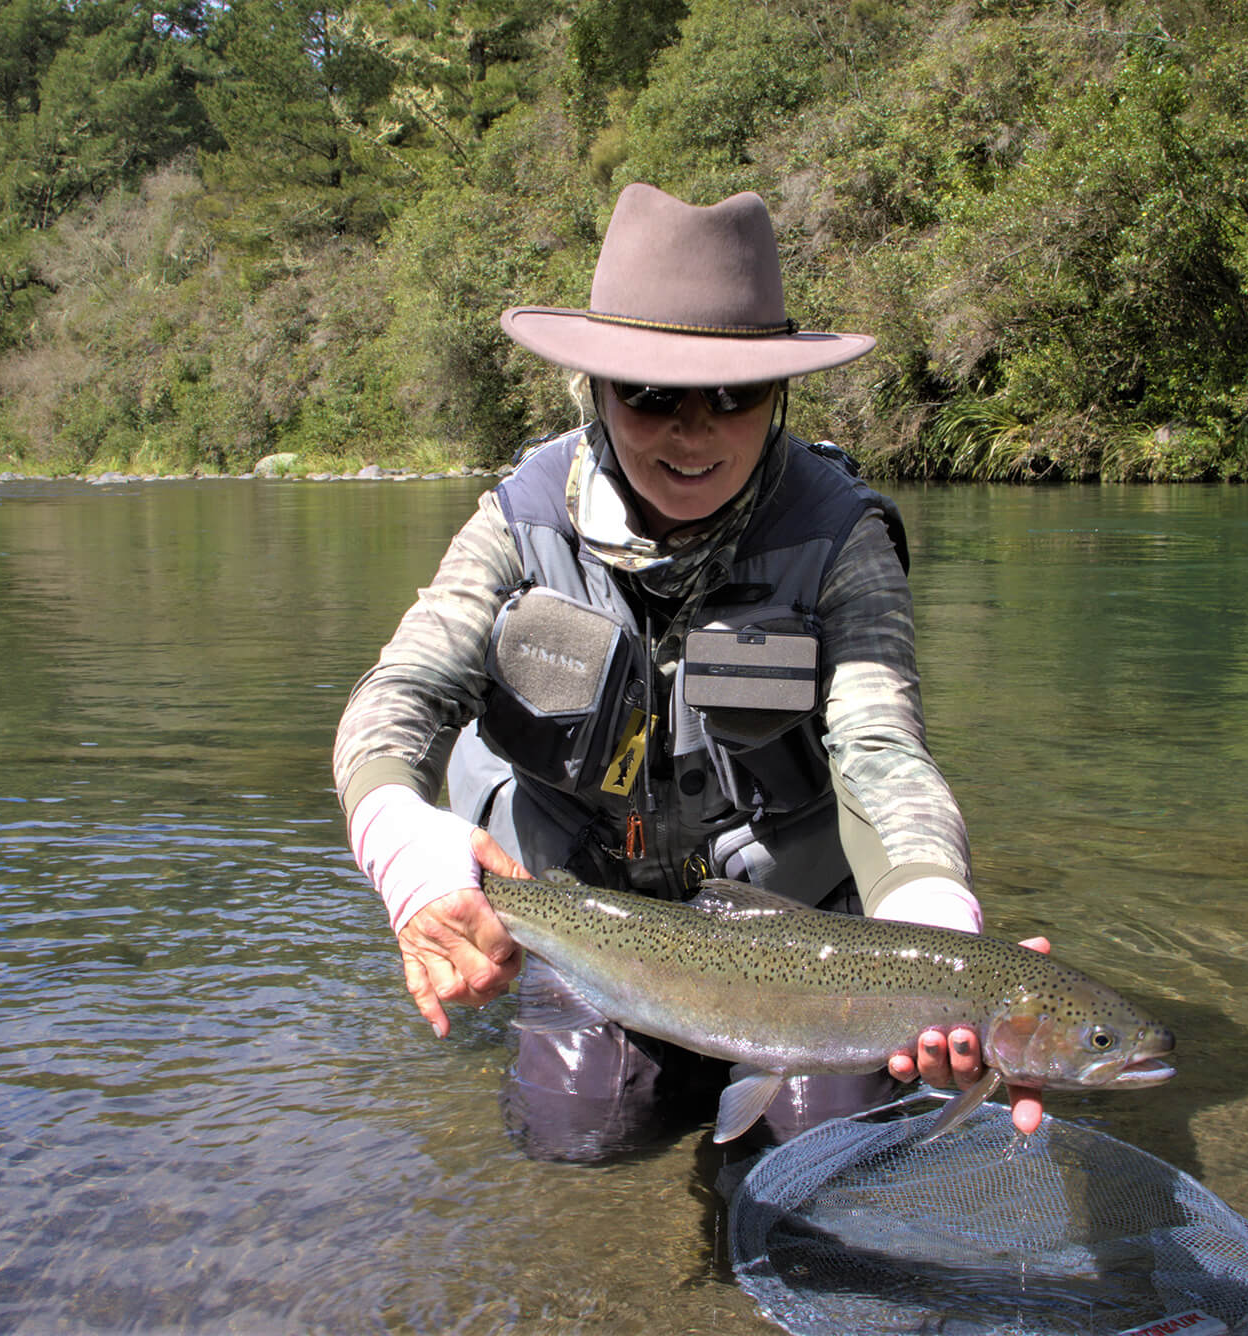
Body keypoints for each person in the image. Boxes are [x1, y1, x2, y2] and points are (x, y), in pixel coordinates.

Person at [334, 182, 1045, 1161]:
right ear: (594, 387)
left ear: (779, 394)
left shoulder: (840, 539)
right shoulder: (516, 522)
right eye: (651, 394)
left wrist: (929, 916)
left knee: (822, 1148)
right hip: (592, 921)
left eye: (733, 395)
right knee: (578, 1132)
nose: (692, 429)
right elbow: (396, 698)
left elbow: (879, 746)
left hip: (796, 941)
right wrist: (404, 848)